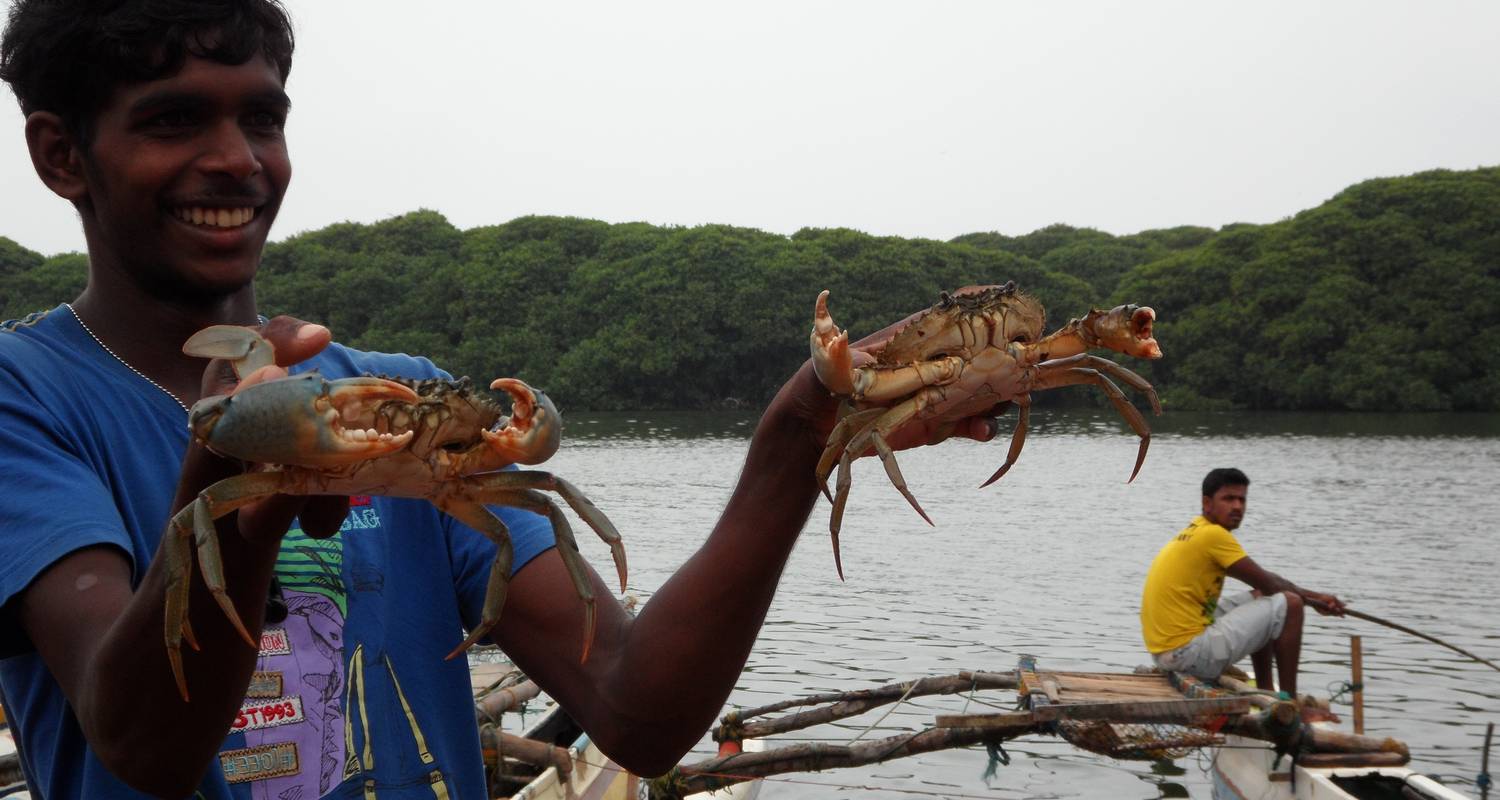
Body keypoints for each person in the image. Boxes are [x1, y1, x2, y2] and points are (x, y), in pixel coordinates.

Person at [0, 2, 1002, 797]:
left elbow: (636, 708)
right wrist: (241, 474)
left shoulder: (409, 395)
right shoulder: (25, 398)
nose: (235, 157)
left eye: (261, 116)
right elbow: (140, 745)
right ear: (61, 155)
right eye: (174, 118)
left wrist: (801, 432)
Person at [1139, 467, 1345, 698]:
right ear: (1207, 503)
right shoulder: (1214, 535)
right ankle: (1290, 702)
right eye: (1228, 499)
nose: (1237, 506)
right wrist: (1315, 600)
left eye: (1242, 499)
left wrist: (1315, 598)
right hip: (1189, 656)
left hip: (1171, 654)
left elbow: (1265, 586)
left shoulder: (1198, 531)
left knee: (1262, 598)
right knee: (1292, 604)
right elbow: (1270, 583)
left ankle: (1267, 692)